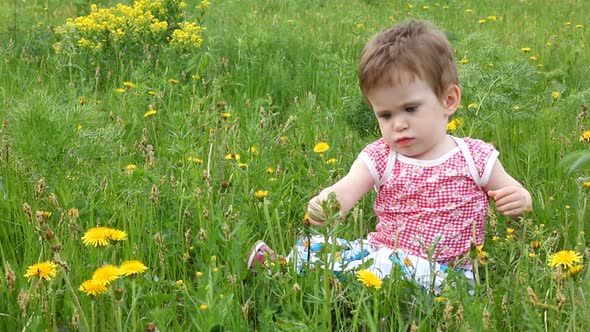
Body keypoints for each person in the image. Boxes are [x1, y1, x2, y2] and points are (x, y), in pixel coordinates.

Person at [247, 19, 532, 292]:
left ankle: (306, 273)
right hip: (384, 253)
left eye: (410, 109)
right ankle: (286, 268)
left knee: (386, 266)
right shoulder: (382, 156)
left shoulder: (475, 156)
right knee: (322, 246)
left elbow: (514, 191)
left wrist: (520, 199)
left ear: (448, 100)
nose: (398, 124)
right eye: (385, 114)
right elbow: (346, 189)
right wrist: (327, 204)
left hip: (449, 274)